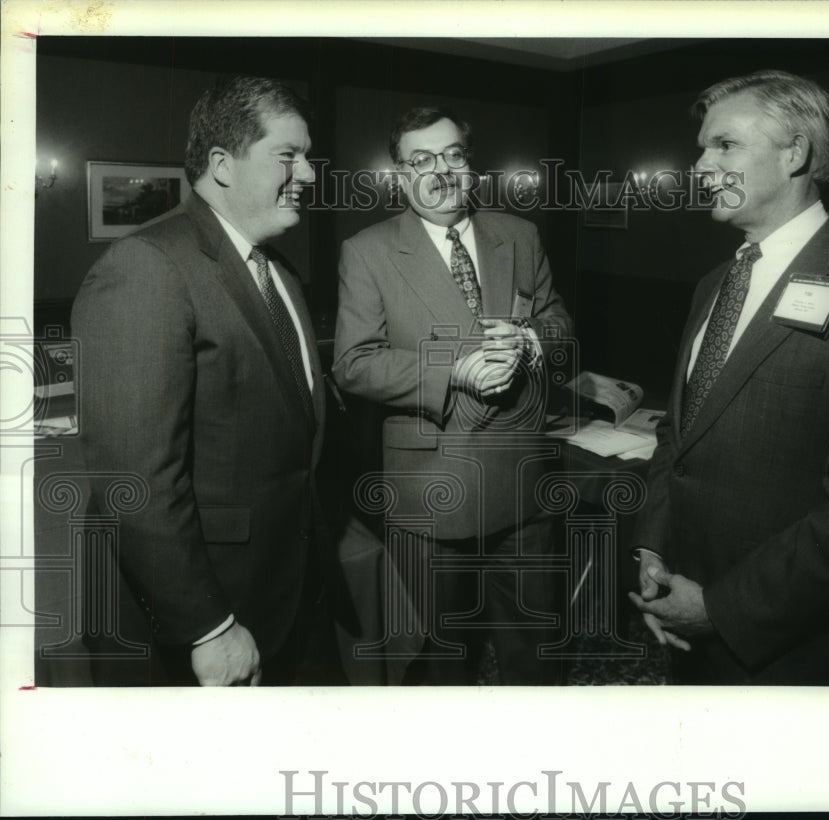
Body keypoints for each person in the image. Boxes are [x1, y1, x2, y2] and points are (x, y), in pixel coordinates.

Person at [629, 70, 829, 685]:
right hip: (683, 600)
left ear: (794, 153)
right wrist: (652, 546)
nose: (699, 166)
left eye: (724, 146)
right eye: (701, 148)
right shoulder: (713, 284)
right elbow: (679, 434)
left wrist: (720, 609)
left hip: (789, 645)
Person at [73, 75, 336, 686]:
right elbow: (133, 479)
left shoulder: (279, 271)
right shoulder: (145, 266)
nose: (311, 175)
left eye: (309, 157)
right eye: (288, 157)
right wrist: (209, 627)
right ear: (222, 164)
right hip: (201, 621)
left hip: (280, 592)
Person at [333, 106, 573, 684]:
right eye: (421, 160)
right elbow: (353, 364)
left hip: (523, 488)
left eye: (453, 154)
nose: (441, 170)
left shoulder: (519, 235)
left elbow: (560, 324)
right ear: (399, 174)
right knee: (442, 664)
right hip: (431, 496)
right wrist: (453, 372)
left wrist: (533, 339)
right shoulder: (367, 250)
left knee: (536, 654)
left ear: (471, 163)